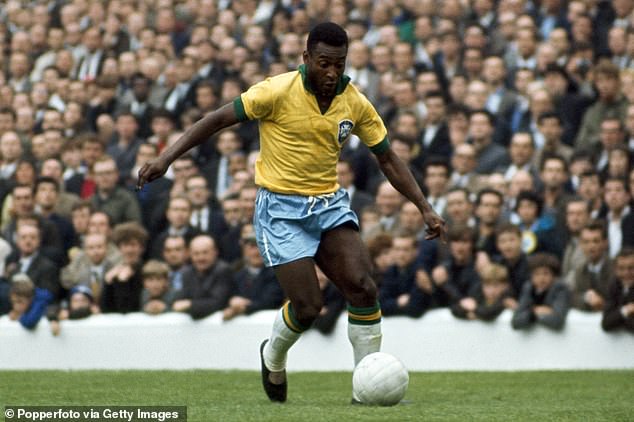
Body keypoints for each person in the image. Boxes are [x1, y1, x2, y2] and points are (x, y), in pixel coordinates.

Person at [138, 22, 445, 403]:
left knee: (364, 288)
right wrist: (165, 159)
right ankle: (273, 354)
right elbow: (215, 120)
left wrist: (425, 207)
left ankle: (364, 392)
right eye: (324, 63)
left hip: (328, 204)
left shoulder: (355, 103)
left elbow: (388, 158)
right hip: (280, 210)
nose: (332, 72)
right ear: (306, 58)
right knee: (309, 307)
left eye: (339, 64)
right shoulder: (276, 91)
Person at [511, 253, 571, 330]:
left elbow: (557, 321)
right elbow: (516, 322)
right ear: (531, 276)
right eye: (537, 274)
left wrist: (530, 314)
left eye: (546, 273)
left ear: (554, 276)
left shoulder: (560, 289)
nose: (541, 278)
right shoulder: (529, 288)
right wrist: (534, 313)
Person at [601, 248, 634, 332]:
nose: (626, 273)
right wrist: (626, 310)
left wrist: (618, 316)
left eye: (631, 268)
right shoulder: (614, 285)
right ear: (615, 270)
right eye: (621, 268)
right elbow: (606, 324)